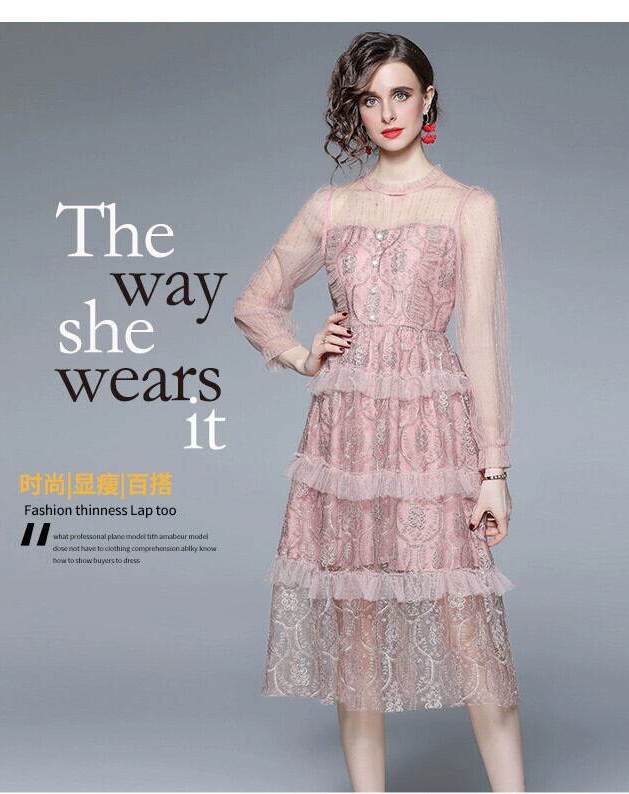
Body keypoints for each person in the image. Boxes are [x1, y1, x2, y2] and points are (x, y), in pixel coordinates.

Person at [234, 31, 525, 793]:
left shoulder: (468, 206)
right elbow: (257, 302)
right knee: (356, 622)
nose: (387, 112)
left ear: (428, 101)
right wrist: (302, 353)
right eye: (371, 98)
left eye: (401, 94)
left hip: (433, 430)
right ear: (355, 109)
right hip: (348, 436)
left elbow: (482, 338)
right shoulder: (332, 206)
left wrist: (494, 471)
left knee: (467, 619)